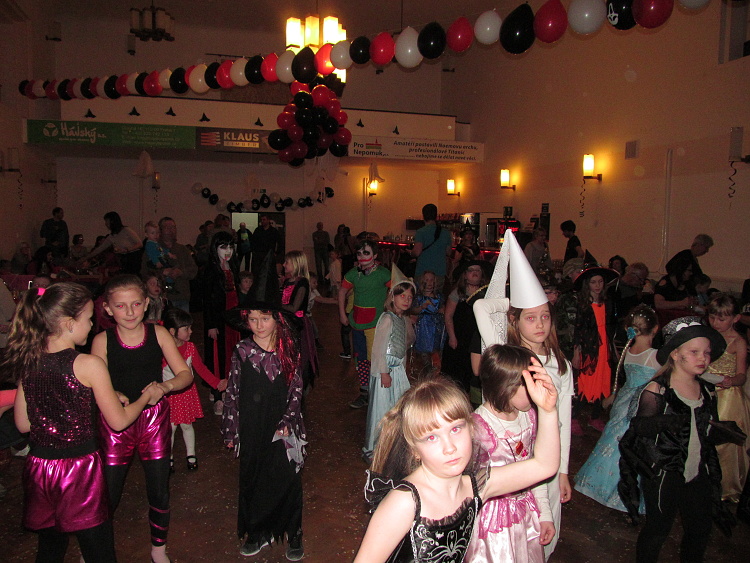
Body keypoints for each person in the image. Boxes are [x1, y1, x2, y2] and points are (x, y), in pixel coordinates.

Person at [3, 282, 162, 562]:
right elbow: (119, 422)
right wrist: (145, 398)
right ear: (68, 323)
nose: (92, 325)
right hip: (79, 470)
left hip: (41, 467)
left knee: (50, 547)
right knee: (98, 548)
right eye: (88, 319)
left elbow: (24, 424)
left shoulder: (30, 360)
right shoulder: (88, 364)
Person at [353, 371, 560, 563]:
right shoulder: (405, 502)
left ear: (471, 428)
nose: (450, 447)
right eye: (432, 437)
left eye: (456, 429)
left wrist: (547, 411)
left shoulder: (476, 487)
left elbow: (545, 466)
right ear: (414, 449)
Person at [473, 229, 572, 558]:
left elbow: (563, 420)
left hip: (546, 452)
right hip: (505, 461)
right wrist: (515, 306)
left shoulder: (560, 364)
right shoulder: (505, 353)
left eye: (545, 316)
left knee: (543, 529)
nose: (540, 324)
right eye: (531, 317)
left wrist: (562, 470)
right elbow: (482, 307)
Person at [91, 274, 193, 563]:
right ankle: (95, 548)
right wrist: (112, 392)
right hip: (116, 420)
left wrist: (165, 386)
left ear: (146, 303)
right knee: (108, 491)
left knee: (159, 488)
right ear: (107, 309)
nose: (130, 312)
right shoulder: (102, 340)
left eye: (136, 304)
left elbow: (185, 374)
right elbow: (94, 382)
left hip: (153, 419)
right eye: (120, 306)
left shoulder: (158, 334)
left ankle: (158, 548)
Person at [618, 317, 730, 563]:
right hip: (663, 472)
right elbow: (640, 429)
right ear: (676, 354)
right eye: (694, 352)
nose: (703, 358)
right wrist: (666, 422)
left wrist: (720, 431)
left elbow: (705, 431)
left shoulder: (707, 390)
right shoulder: (658, 390)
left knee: (700, 528)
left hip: (697, 471)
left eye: (706, 353)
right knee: (658, 529)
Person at [222, 283, 307, 560]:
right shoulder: (242, 350)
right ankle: (257, 531)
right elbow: (233, 390)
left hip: (284, 424)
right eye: (253, 319)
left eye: (265, 318)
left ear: (277, 319)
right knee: (254, 476)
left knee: (287, 478)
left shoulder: (289, 348)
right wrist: (231, 428)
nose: (258, 325)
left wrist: (288, 419)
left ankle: (293, 532)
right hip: (252, 424)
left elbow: (297, 388)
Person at [465, 345, 555, 562]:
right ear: (506, 386)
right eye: (530, 385)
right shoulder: (478, 429)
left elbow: (537, 470)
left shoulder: (530, 416)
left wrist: (545, 513)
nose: (537, 391)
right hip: (493, 525)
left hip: (525, 517)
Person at [575, 304, 659, 514]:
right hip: (640, 404)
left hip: (624, 400)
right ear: (655, 329)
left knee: (613, 440)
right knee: (631, 446)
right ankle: (621, 493)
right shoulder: (655, 356)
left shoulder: (629, 351)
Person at [162, 308, 227, 472]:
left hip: (185, 393)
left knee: (187, 425)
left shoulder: (190, 347)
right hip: (169, 395)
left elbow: (201, 368)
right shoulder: (162, 350)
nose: (191, 331)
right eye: (186, 329)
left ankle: (191, 454)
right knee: (170, 428)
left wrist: (216, 383)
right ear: (172, 331)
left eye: (190, 328)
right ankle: (168, 457)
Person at [363, 265, 415, 461]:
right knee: (382, 409)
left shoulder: (402, 319)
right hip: (385, 371)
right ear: (392, 297)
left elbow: (405, 344)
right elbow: (378, 349)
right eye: (402, 296)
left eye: (409, 297)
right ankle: (375, 447)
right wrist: (384, 372)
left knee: (397, 406)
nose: (406, 300)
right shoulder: (387, 318)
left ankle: (393, 445)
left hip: (397, 370)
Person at [565, 257, 619, 433]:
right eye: (593, 282)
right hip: (589, 348)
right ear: (587, 284)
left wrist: (613, 349)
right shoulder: (582, 304)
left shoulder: (607, 302)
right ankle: (574, 416)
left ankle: (594, 417)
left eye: (600, 282)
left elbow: (610, 329)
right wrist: (576, 353)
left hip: (604, 349)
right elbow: (578, 330)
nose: (597, 285)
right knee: (586, 384)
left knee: (602, 382)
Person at [705, 294, 750, 502]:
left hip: (727, 396)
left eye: (721, 319)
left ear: (735, 318)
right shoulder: (707, 335)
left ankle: (726, 486)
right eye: (712, 317)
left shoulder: (738, 342)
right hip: (706, 391)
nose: (715, 323)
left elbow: (742, 375)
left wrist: (731, 381)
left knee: (724, 443)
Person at [339, 239, 391, 409]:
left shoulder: (383, 273)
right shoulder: (354, 273)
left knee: (374, 360)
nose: (361, 256)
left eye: (366, 252)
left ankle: (377, 394)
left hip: (375, 325)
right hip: (356, 323)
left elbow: (399, 289)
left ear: (375, 255)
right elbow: (342, 291)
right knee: (360, 359)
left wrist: (391, 310)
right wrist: (342, 314)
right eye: (359, 253)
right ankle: (364, 392)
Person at [202, 231, 240, 413]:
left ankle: (228, 388)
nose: (228, 251)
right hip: (217, 321)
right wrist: (211, 324)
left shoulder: (233, 267)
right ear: (215, 248)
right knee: (217, 356)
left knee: (230, 354)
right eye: (223, 247)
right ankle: (217, 393)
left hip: (232, 320)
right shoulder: (210, 270)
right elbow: (207, 300)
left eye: (230, 247)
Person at [443, 260, 489, 393]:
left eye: (477, 270)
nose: (474, 273)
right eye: (471, 270)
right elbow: (448, 316)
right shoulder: (457, 293)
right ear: (465, 275)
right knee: (456, 375)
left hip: (478, 339)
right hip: (459, 339)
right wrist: (452, 337)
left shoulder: (487, 293)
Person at [281, 250, 318, 389]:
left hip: (297, 324)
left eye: (287, 262)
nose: (284, 265)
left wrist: (276, 305)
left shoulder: (302, 283)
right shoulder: (287, 281)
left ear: (296, 264)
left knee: (298, 356)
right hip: (286, 322)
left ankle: (298, 385)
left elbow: (294, 307)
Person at [151, 216, 198, 313]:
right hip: (160, 298)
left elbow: (193, 269)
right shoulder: (152, 249)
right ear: (160, 230)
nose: (171, 230)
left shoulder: (182, 249)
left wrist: (181, 272)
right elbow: (145, 272)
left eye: (173, 227)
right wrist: (162, 273)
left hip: (181, 297)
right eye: (167, 227)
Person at [411, 203, 453, 291]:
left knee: (421, 296)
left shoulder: (421, 232)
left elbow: (417, 252)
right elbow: (448, 252)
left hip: (423, 272)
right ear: (436, 216)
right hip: (439, 272)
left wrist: (411, 253)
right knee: (436, 296)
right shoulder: (446, 232)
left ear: (423, 216)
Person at [412, 270, 445, 375]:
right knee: (423, 353)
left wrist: (442, 310)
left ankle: (435, 373)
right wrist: (422, 307)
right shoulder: (418, 297)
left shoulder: (439, 296)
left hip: (436, 326)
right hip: (423, 326)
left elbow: (443, 309)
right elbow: (413, 310)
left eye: (431, 280)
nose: (429, 282)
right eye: (427, 280)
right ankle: (425, 373)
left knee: (436, 352)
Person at [143, 221, 175, 285]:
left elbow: (161, 250)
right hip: (155, 261)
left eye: (157, 233)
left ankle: (169, 282)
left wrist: (168, 253)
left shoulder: (156, 243)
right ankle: (167, 283)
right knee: (163, 271)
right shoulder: (149, 244)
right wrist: (156, 261)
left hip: (161, 259)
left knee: (169, 268)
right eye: (152, 233)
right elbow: (151, 254)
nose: (156, 235)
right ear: (146, 234)